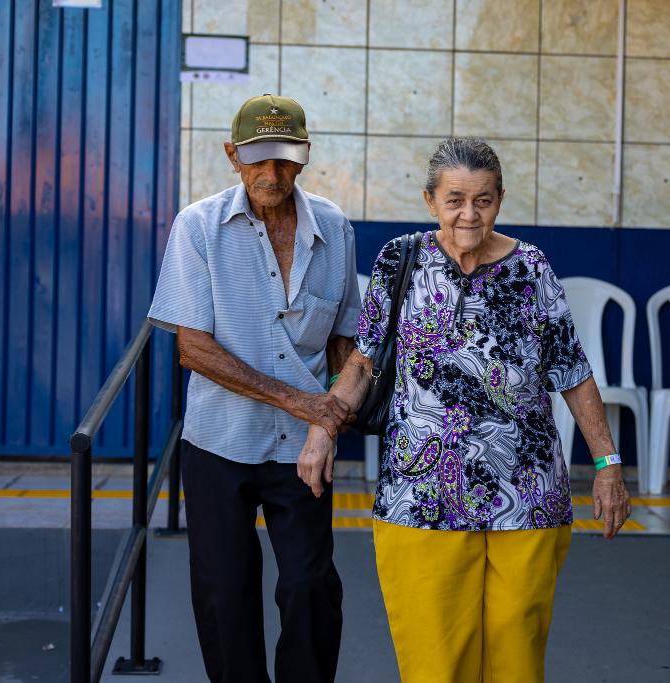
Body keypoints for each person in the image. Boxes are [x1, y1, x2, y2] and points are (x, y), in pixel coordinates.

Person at [296, 137, 631, 682]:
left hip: (527, 495)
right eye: (454, 199)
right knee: (434, 662)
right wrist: (322, 429)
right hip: (421, 494)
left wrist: (607, 465)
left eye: (483, 200)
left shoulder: (532, 269)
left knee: (516, 658)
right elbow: (361, 363)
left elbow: (571, 369)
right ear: (430, 201)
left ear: (500, 200)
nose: (468, 213)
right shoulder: (399, 261)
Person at [148, 94, 358, 683]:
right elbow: (193, 349)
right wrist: (302, 400)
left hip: (302, 448)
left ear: (305, 157)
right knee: (225, 592)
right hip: (219, 441)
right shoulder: (198, 226)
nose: (272, 174)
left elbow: (344, 342)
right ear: (232, 155)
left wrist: (329, 417)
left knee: (311, 586)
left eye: (286, 159)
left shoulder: (336, 229)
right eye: (257, 159)